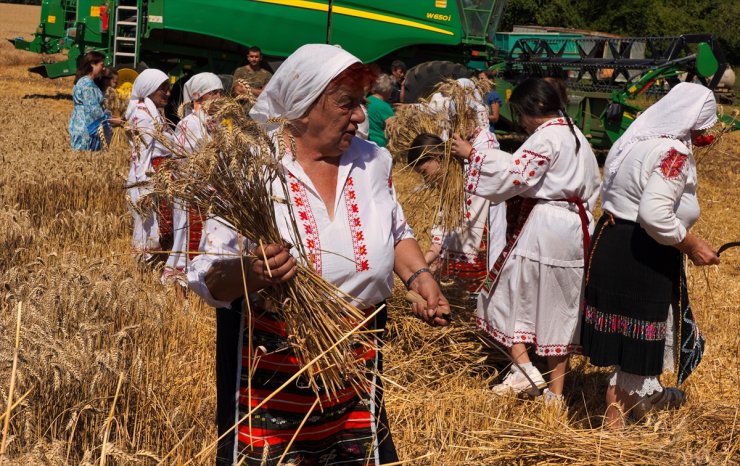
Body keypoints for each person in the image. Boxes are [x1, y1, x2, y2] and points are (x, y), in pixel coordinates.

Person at [187, 44, 450, 465]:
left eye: (361, 103)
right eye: (347, 103)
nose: (361, 115)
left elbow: (397, 231)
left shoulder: (373, 161)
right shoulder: (253, 166)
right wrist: (255, 271)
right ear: (302, 106)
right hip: (272, 379)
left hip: (356, 370)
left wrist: (420, 278)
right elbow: (208, 274)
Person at [450, 77, 601, 402]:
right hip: (574, 229)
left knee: (501, 295)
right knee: (558, 310)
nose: (519, 121)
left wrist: (472, 155)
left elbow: (514, 175)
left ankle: (527, 370)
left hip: (544, 229)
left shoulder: (546, 138)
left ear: (532, 110)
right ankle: (555, 396)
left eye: (519, 114)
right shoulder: (578, 138)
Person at [580, 82, 719, 428]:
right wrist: (692, 244)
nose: (704, 133)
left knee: (627, 350)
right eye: (704, 125)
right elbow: (655, 215)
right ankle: (613, 433)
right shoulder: (674, 153)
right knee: (636, 350)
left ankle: (622, 417)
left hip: (613, 242)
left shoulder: (636, 141)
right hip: (641, 255)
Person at [409, 129, 506, 299]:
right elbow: (440, 234)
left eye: (424, 172)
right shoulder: (445, 188)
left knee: (488, 294)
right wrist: (421, 268)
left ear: (437, 158)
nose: (425, 180)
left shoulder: (474, 173)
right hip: (464, 275)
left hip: (486, 249)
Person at [162, 72, 224, 285]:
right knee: (188, 234)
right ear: (200, 96)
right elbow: (183, 160)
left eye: (221, 93)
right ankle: (182, 278)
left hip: (210, 191)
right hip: (192, 191)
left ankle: (202, 278)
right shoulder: (188, 123)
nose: (220, 98)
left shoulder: (214, 123)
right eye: (215, 93)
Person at [124, 68, 176, 261]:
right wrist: (144, 189)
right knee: (147, 226)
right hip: (147, 176)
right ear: (149, 89)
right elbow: (141, 155)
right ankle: (143, 268)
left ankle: (151, 263)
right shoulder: (143, 116)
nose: (168, 93)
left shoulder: (152, 113)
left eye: (168, 88)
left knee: (154, 225)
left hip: (157, 174)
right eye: (163, 88)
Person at [68, 51, 107, 150]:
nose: (104, 68)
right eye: (101, 65)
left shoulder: (86, 81)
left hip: (80, 124)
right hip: (85, 128)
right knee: (85, 156)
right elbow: (93, 109)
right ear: (92, 64)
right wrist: (109, 120)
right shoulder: (87, 85)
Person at [366, 74, 395, 147]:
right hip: (380, 145)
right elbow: (393, 129)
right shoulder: (384, 107)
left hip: (367, 142)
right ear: (387, 89)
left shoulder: (367, 100)